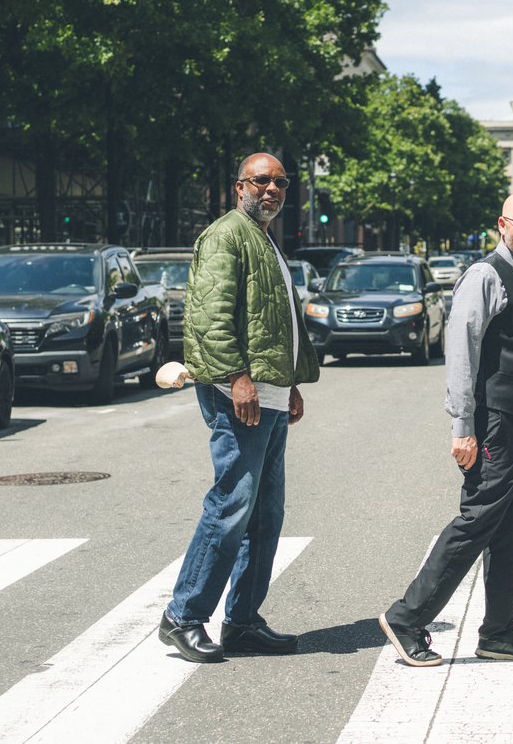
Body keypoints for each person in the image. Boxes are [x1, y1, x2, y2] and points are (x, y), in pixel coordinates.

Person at [379, 192, 513, 666]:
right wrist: (461, 427)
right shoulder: (485, 276)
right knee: (477, 522)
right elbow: (461, 353)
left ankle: (499, 633)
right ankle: (407, 617)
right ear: (502, 225)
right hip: (494, 424)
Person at [158, 152, 320, 663]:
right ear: (239, 187)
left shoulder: (266, 239)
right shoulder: (226, 235)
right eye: (262, 181)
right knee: (231, 504)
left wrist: (289, 383)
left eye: (280, 183)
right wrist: (237, 377)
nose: (272, 189)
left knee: (265, 514)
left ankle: (243, 621)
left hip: (269, 394)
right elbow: (210, 316)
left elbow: (275, 319)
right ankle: (182, 616)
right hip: (238, 395)